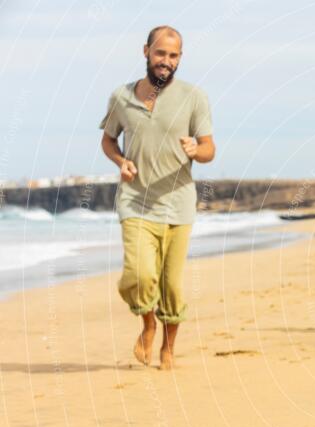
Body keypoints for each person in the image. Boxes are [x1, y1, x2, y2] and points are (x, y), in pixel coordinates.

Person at [99, 25, 215, 370]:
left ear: (180, 58)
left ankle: (168, 348)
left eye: (174, 55)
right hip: (135, 201)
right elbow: (108, 140)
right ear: (146, 51)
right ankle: (148, 324)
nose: (166, 61)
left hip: (178, 204)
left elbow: (210, 148)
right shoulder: (122, 97)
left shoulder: (194, 97)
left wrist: (197, 149)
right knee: (138, 274)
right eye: (161, 53)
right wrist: (121, 161)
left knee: (172, 286)